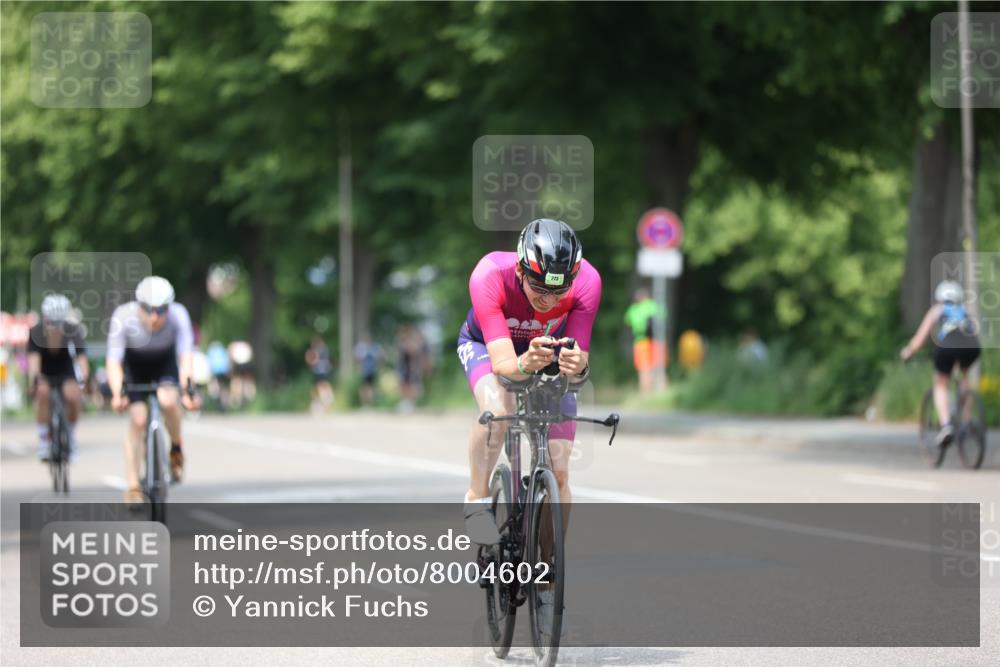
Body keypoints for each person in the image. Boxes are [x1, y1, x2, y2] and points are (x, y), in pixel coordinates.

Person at [457, 218, 600, 544]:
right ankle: (477, 500)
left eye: (559, 290)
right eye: (539, 288)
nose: (548, 300)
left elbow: (579, 368)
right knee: (498, 408)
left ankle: (547, 574)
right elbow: (505, 366)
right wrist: (524, 362)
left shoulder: (588, 281)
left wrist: (577, 367)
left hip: (547, 351)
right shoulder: (489, 274)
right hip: (488, 346)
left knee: (560, 465)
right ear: (521, 271)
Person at [106, 276, 201, 505]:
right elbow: (114, 361)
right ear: (139, 305)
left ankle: (176, 446)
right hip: (134, 365)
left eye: (161, 310)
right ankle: (133, 486)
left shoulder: (179, 315)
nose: (155, 316)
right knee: (138, 419)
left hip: (164, 363)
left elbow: (185, 356)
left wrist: (188, 391)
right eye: (148, 309)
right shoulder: (123, 316)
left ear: (170, 307)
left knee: (169, 401)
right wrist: (118, 394)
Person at [900, 280, 981, 448]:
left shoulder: (938, 310)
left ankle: (946, 425)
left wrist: (908, 352)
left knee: (941, 384)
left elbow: (919, 340)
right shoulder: (965, 310)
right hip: (972, 345)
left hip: (948, 346)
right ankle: (967, 421)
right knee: (964, 376)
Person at [27, 294, 89, 462]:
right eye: (51, 323)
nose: (55, 327)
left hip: (65, 369)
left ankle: (71, 436)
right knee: (43, 393)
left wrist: (84, 380)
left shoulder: (73, 330)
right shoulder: (36, 331)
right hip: (45, 370)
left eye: (59, 323)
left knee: (73, 396)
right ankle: (44, 440)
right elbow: (34, 362)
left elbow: (82, 359)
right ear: (45, 320)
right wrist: (34, 382)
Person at [624, 287, 666, 392]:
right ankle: (663, 391)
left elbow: (628, 320)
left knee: (644, 369)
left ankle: (646, 393)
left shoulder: (634, 308)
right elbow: (664, 315)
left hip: (641, 341)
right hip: (657, 341)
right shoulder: (653, 305)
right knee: (659, 368)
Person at [397, 325, 430, 411]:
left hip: (409, 368)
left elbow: (413, 352)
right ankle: (408, 403)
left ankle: (410, 403)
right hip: (405, 368)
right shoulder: (404, 342)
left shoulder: (411, 343)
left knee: (412, 387)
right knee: (405, 386)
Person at [305, 335, 335, 412]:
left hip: (320, 371)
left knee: (320, 387)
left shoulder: (319, 351)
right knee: (320, 387)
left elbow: (312, 360)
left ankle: (323, 403)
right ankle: (322, 403)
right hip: (321, 371)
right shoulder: (323, 350)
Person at [354, 335, 382, 406]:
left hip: (371, 371)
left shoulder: (374, 349)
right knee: (364, 388)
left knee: (370, 387)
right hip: (365, 371)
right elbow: (357, 359)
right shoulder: (363, 349)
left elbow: (380, 357)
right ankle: (366, 403)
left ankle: (370, 403)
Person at [228, 340, 255, 408]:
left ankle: (236, 397)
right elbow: (251, 354)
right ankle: (249, 393)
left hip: (238, 363)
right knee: (247, 379)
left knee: (236, 380)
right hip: (247, 363)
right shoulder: (246, 344)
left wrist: (230, 367)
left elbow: (231, 356)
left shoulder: (233, 344)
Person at [206, 340, 231, 410]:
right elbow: (227, 361)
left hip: (215, 371)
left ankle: (215, 393)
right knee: (223, 387)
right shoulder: (222, 351)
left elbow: (209, 362)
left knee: (214, 383)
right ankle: (224, 401)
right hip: (223, 371)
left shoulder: (211, 351)